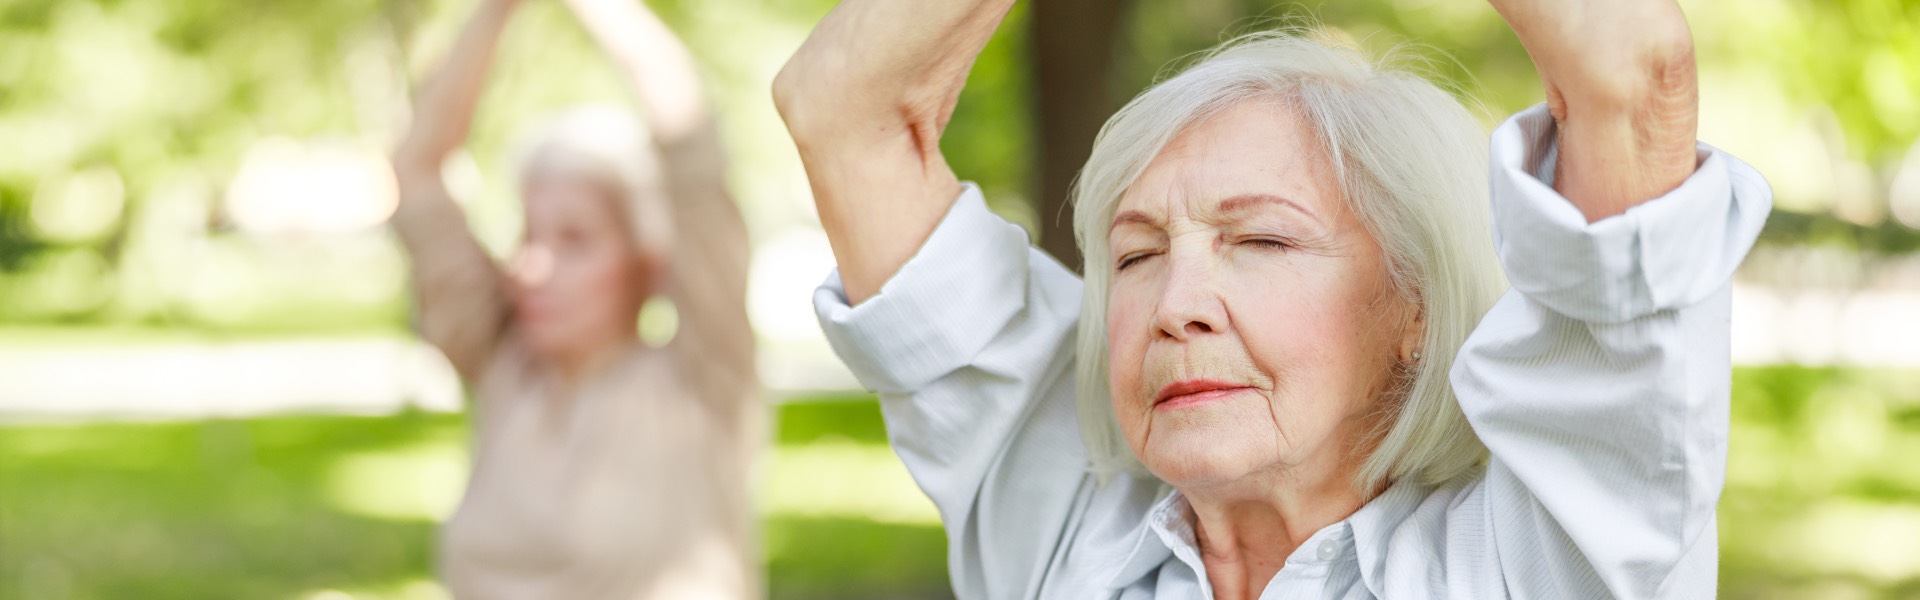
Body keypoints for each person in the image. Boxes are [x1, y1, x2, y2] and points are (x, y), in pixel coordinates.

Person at [774, 0, 1769, 598]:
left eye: (1261, 239)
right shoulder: (1067, 529)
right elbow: (842, 110)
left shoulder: (1542, 565)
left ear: (1412, 309)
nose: (1177, 304)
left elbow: (1633, 77)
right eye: (1135, 253)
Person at [389, 0, 756, 597]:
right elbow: (417, 171)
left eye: (575, 240)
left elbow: (689, 136)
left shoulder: (704, 377)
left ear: (648, 265)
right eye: (528, 235)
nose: (533, 266)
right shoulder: (503, 366)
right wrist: (495, 11)